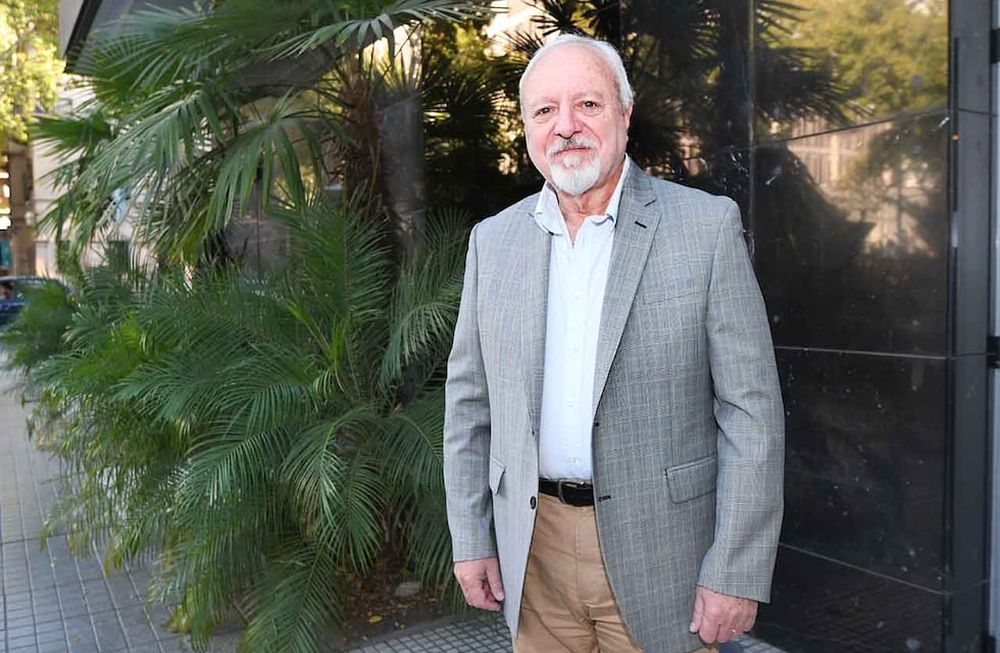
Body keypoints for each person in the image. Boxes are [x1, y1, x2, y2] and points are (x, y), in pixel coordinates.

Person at [443, 34, 784, 653]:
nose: (566, 126)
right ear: (526, 130)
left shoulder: (704, 229)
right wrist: (471, 538)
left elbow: (751, 412)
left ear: (625, 116)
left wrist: (735, 568)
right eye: (545, 111)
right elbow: (469, 405)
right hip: (535, 552)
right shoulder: (491, 244)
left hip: (663, 558)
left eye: (588, 105)